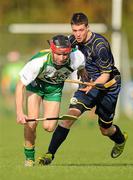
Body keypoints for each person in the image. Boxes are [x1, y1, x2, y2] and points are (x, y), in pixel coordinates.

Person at [39, 12, 128, 166]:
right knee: (69, 117)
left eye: (81, 30)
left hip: (108, 87)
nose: (77, 34)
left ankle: (120, 140)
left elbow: (106, 74)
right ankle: (49, 155)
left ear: (88, 27)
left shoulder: (100, 46)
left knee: (105, 129)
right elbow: (62, 53)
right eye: (74, 30)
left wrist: (92, 85)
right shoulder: (72, 40)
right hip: (86, 86)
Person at [15, 35, 87, 167]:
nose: (62, 58)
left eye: (65, 54)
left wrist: (82, 70)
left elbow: (81, 64)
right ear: (52, 50)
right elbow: (20, 86)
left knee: (49, 127)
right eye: (59, 54)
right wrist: (20, 112)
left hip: (54, 90)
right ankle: (29, 158)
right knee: (31, 123)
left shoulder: (77, 58)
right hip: (36, 87)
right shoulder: (38, 62)